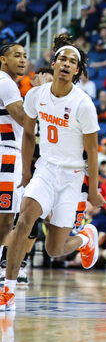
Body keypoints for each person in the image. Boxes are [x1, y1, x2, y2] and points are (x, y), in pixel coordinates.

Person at [0, 36, 105, 310]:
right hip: (45, 169)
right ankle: (7, 291)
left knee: (54, 250)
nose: (66, 64)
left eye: (73, 62)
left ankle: (86, 237)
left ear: (78, 71)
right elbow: (27, 134)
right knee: (23, 221)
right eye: (63, 59)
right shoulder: (36, 95)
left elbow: (92, 152)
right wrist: (26, 172)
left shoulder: (84, 104)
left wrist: (93, 190)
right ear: (54, 63)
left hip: (71, 177)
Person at [0, 44, 29, 283]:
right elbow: (22, 117)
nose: (22, 60)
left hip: (9, 152)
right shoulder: (5, 81)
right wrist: (40, 94)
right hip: (6, 153)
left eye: (25, 56)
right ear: (3, 59)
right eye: (16, 55)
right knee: (6, 214)